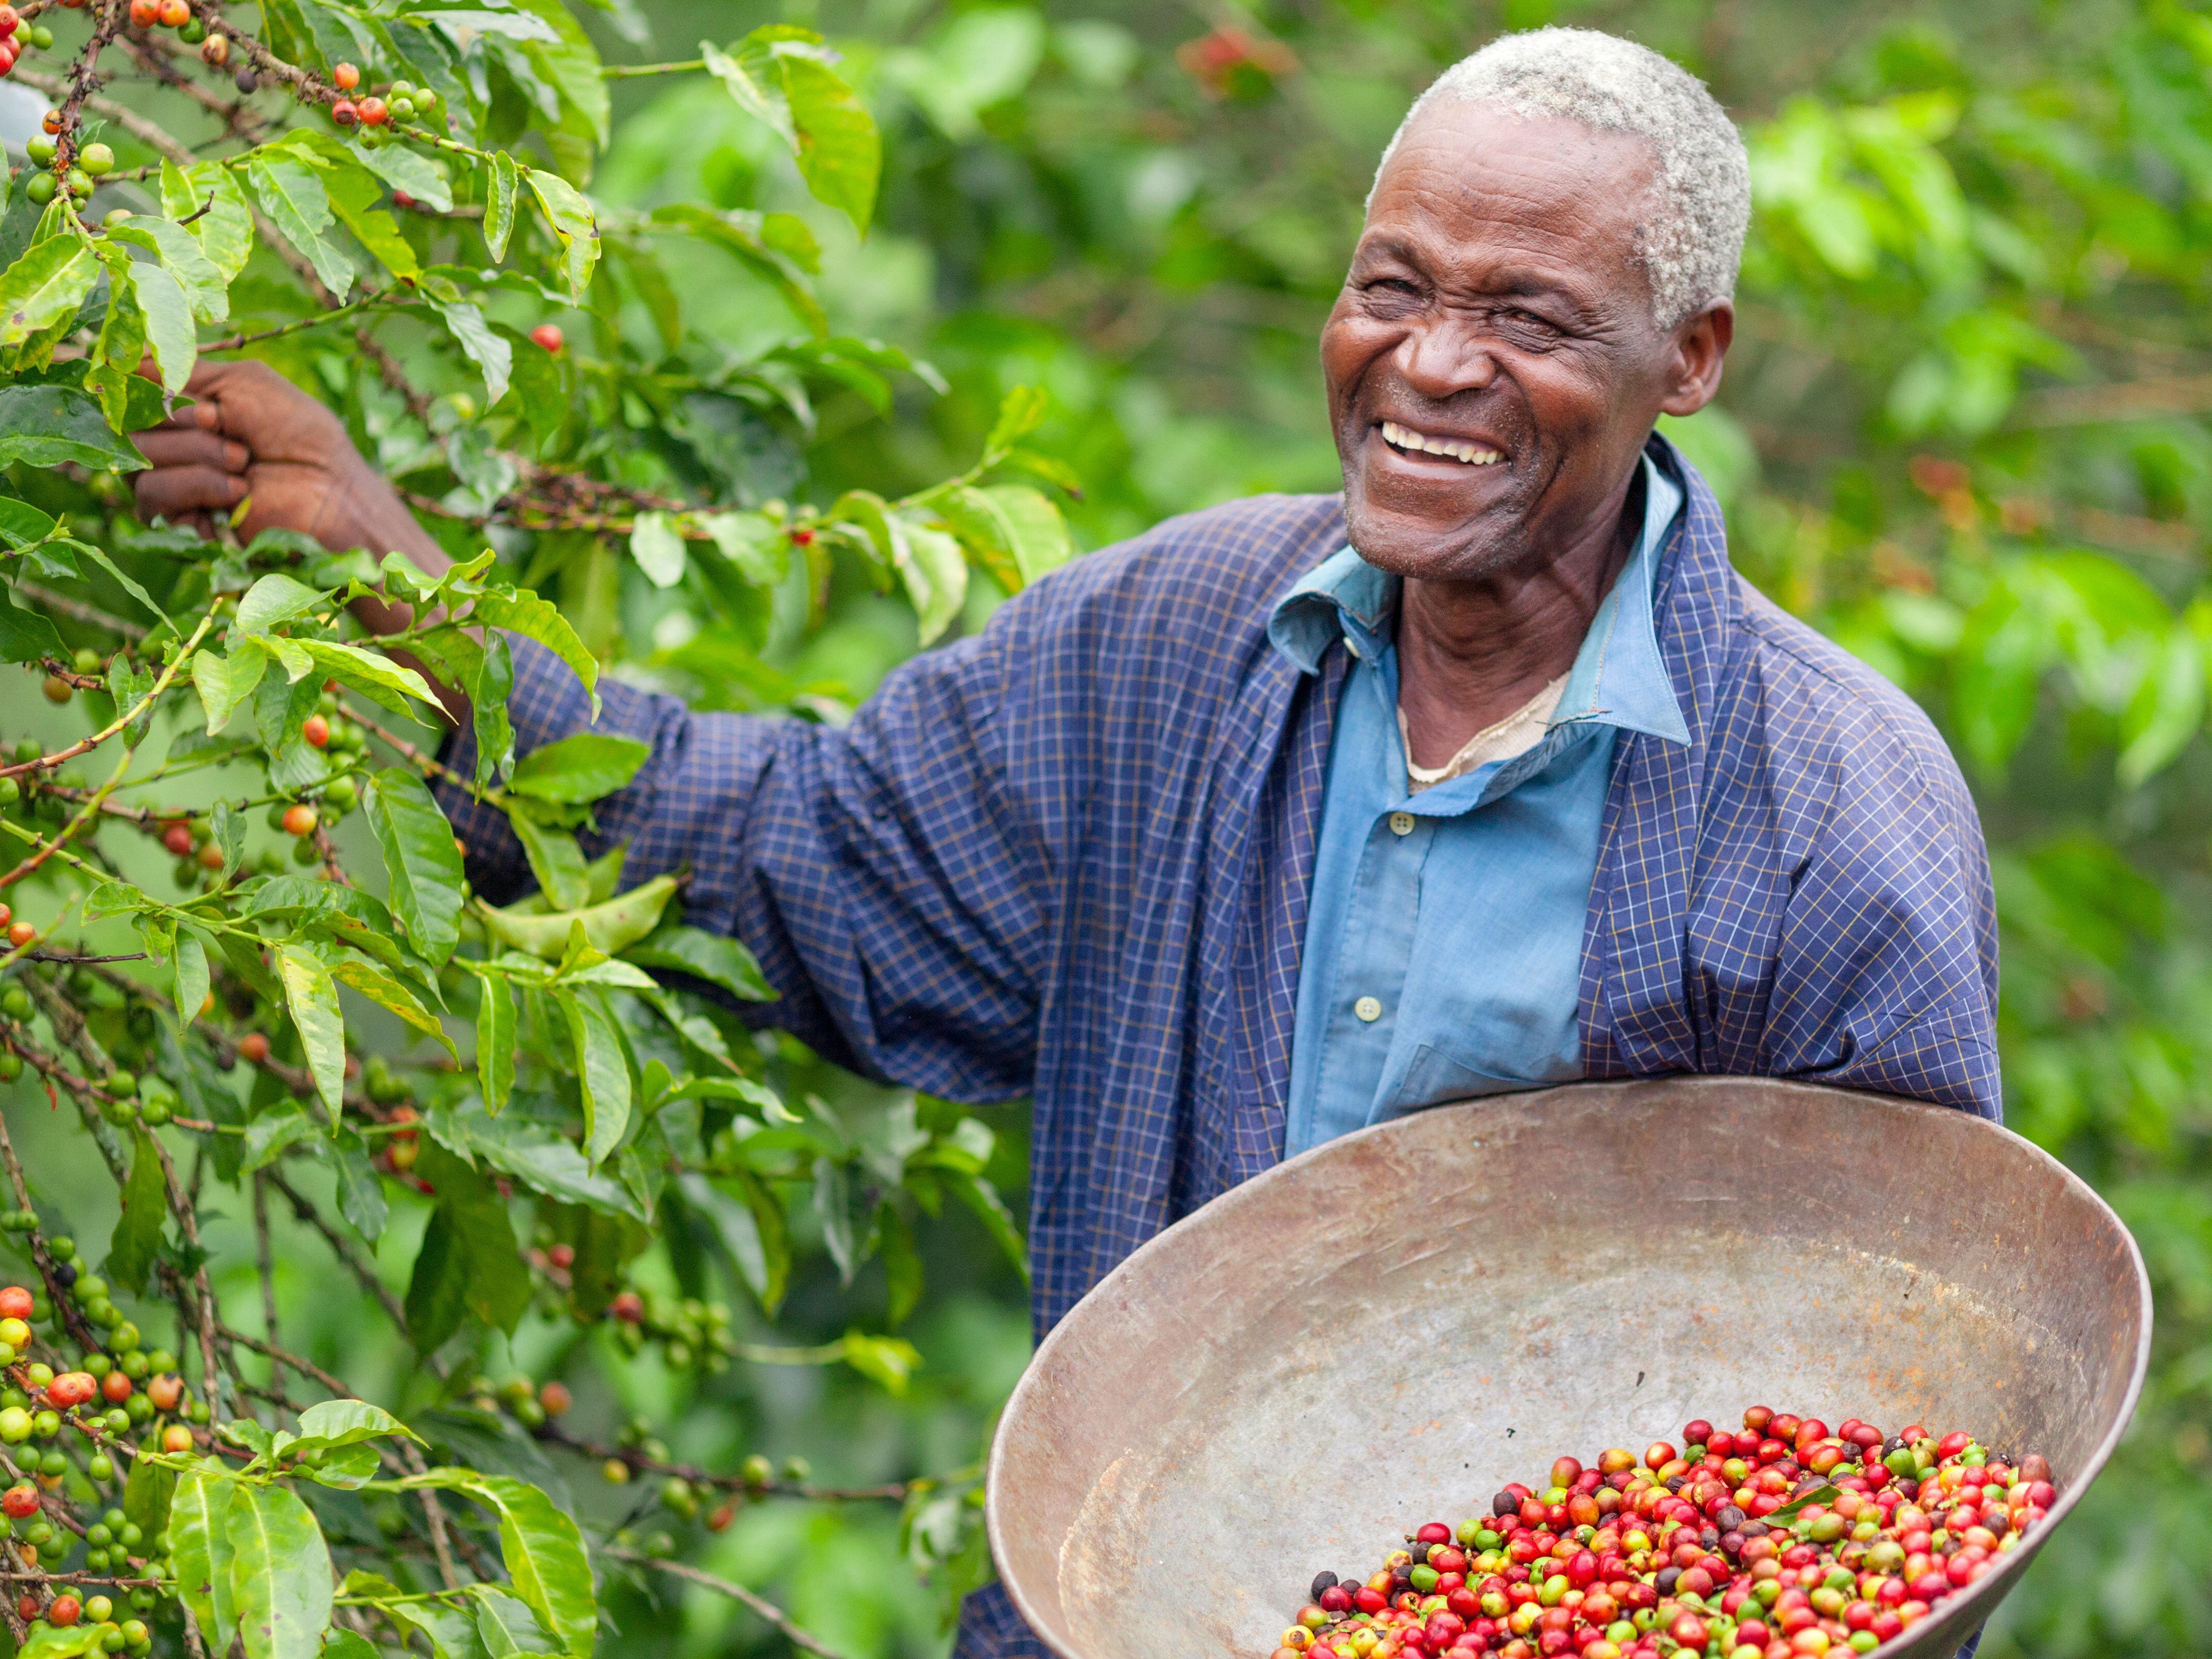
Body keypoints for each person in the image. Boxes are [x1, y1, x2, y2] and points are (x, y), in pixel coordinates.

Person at [135, 27, 1997, 1658]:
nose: (1431, 364)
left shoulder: (1829, 813)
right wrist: (416, 609)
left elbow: (1906, 1425)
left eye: (1527, 319)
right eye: (1393, 286)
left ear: (1692, 359)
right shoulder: (1168, 649)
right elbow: (792, 852)